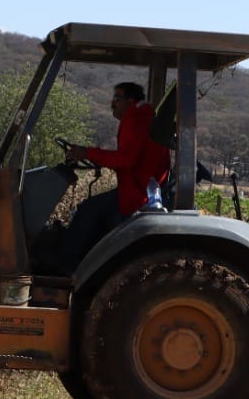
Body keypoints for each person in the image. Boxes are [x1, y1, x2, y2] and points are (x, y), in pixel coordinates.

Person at [60, 81, 171, 270]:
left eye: (117, 98)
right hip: (135, 188)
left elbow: (126, 159)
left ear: (130, 101)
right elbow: (127, 158)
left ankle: (65, 266)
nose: (112, 103)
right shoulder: (141, 117)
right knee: (92, 209)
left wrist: (88, 153)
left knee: (88, 210)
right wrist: (91, 155)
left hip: (137, 194)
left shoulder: (136, 119)